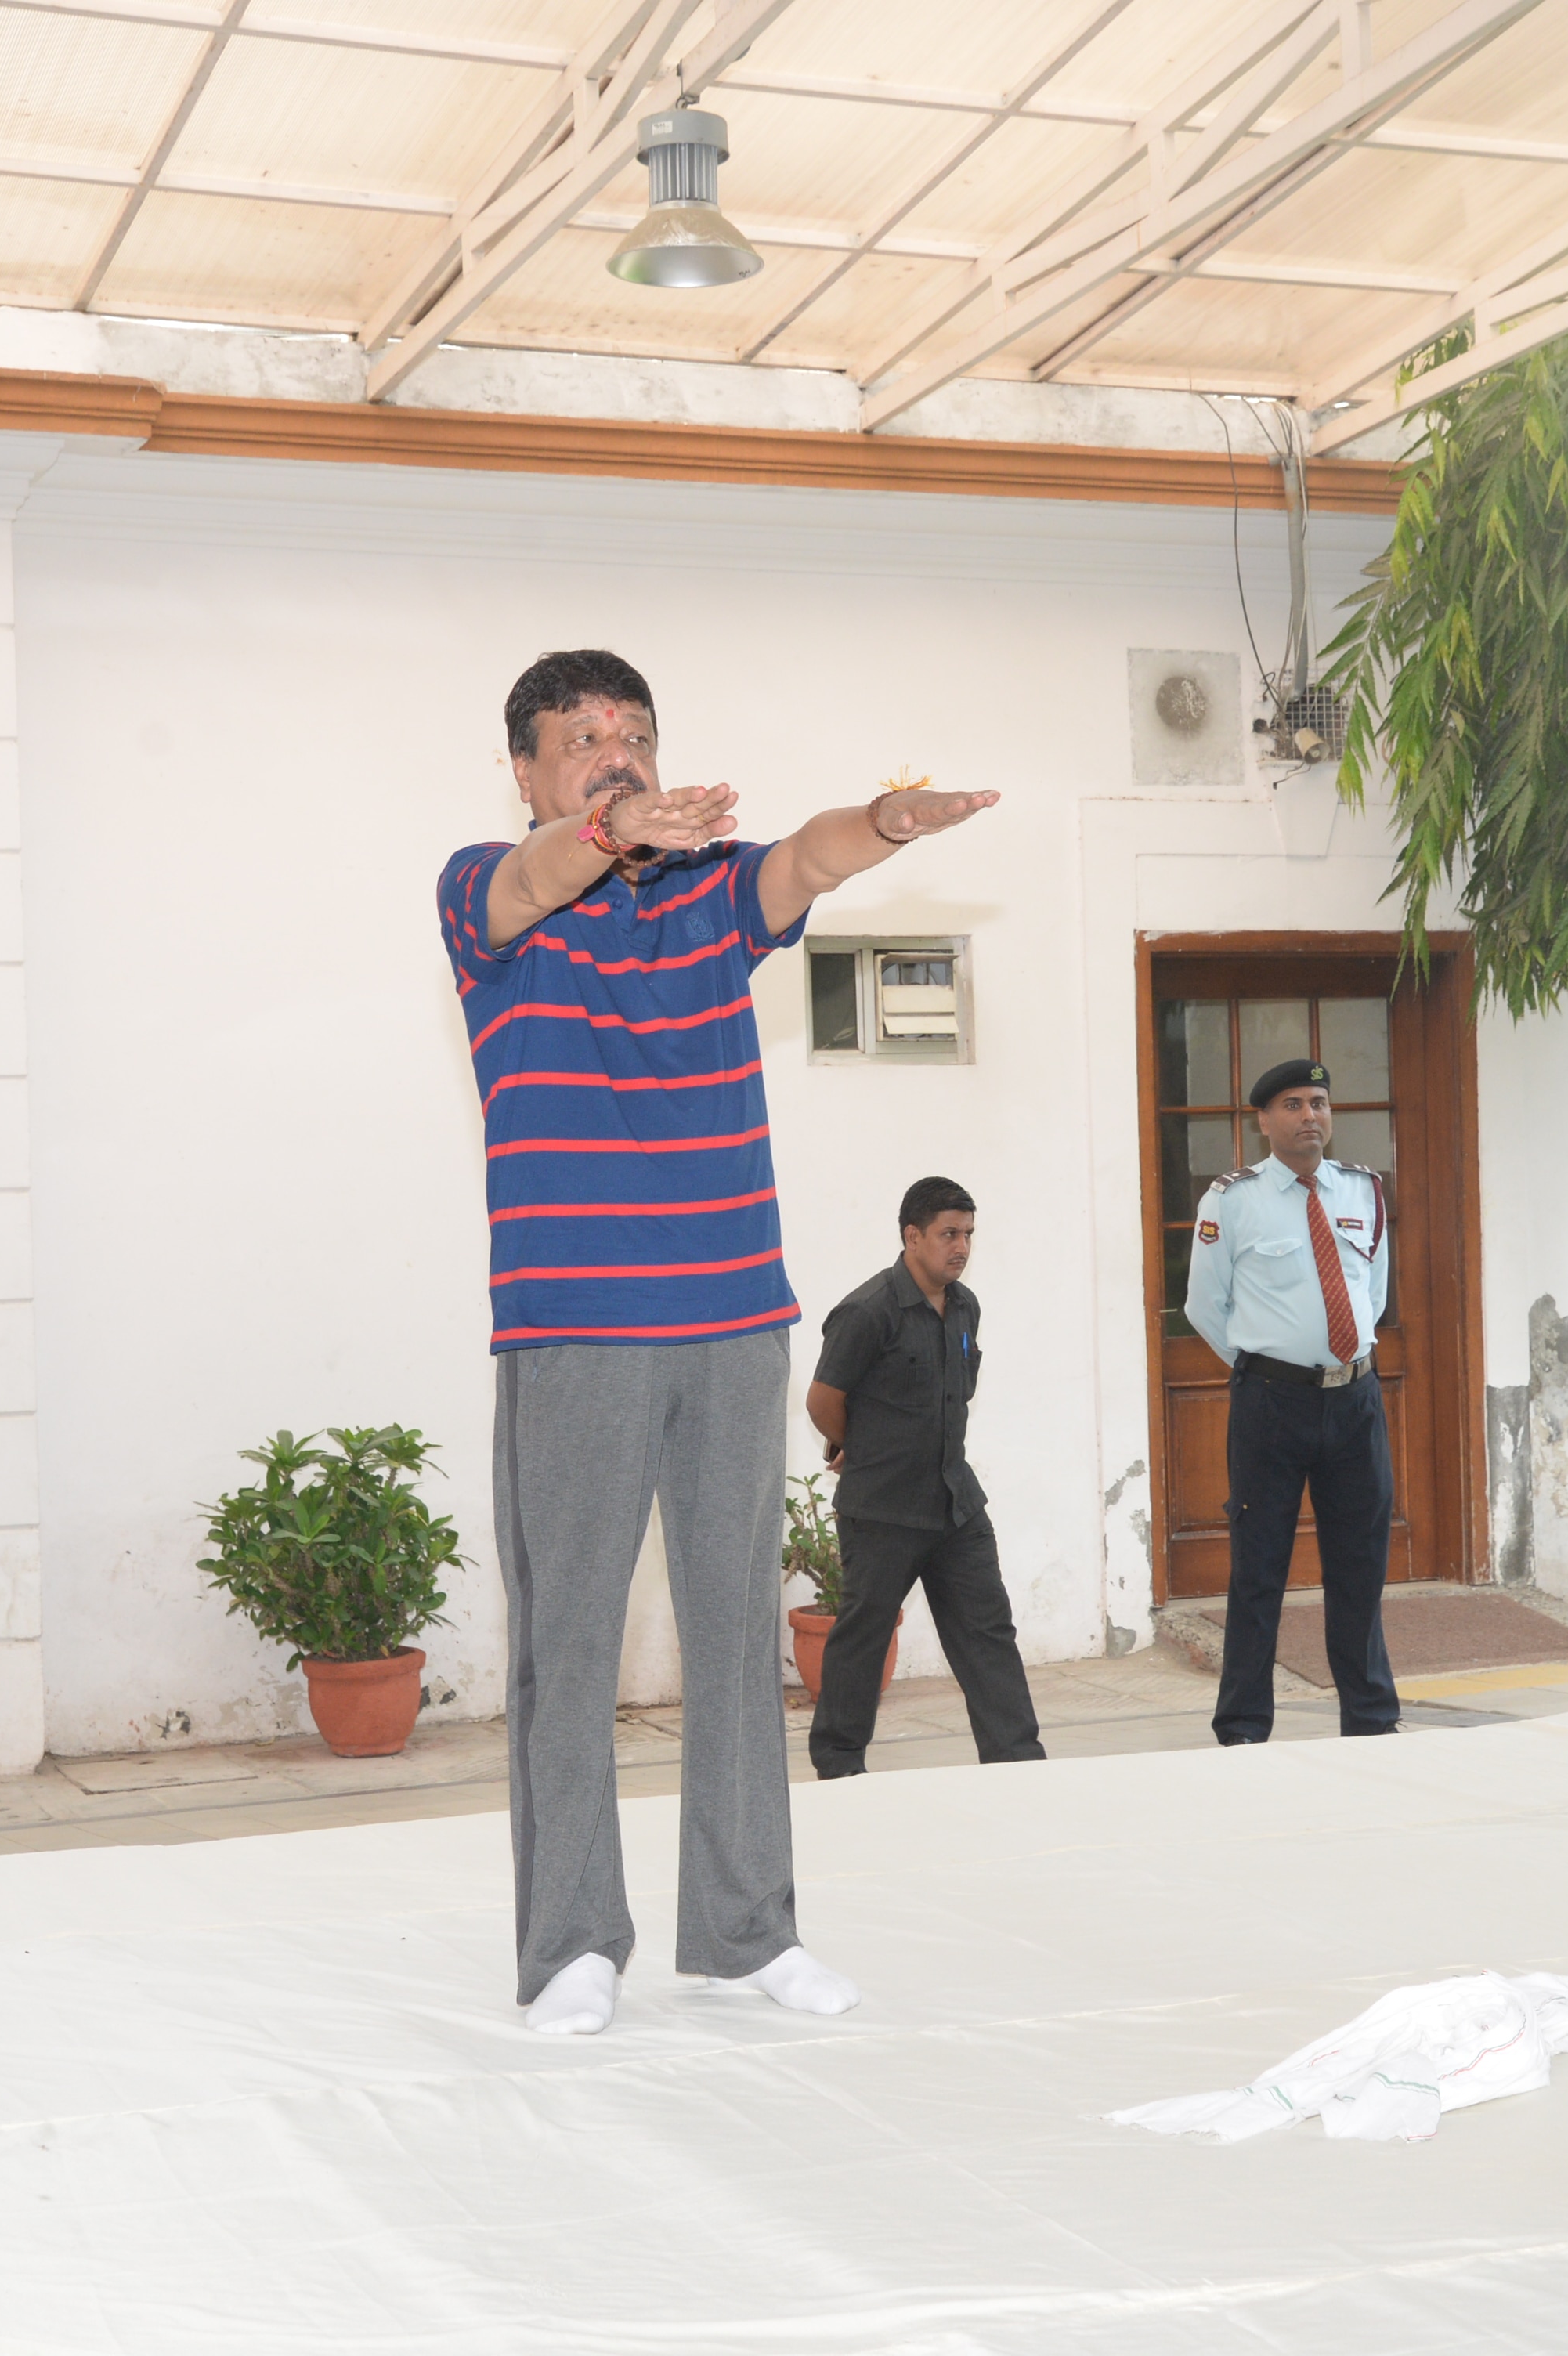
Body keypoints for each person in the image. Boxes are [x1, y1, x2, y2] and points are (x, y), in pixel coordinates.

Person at [435, 649, 999, 2037]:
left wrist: (881, 829)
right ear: (527, 771)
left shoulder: (702, 892)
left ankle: (747, 1931)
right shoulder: (481, 895)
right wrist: (609, 832)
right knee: (565, 1642)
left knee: (739, 1633)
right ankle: (571, 1942)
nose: (614, 754)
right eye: (582, 739)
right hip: (574, 1324)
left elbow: (799, 858)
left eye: (633, 733)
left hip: (735, 1313)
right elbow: (531, 882)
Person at [800, 1176, 1046, 1778]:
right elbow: (821, 1401)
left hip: (955, 1504)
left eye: (967, 1234)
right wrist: (854, 1445)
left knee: (988, 1631)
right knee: (864, 1637)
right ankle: (837, 1765)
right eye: (947, 1234)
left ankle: (1019, 1761)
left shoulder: (965, 1306)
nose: (960, 1247)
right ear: (912, 1236)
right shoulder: (866, 1311)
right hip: (884, 1509)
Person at [1183, 1057, 1399, 1744]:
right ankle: (1244, 1726)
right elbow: (1204, 1305)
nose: (1311, 1116)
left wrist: (1343, 1360)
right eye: (1295, 1105)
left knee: (1360, 1565)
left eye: (1320, 1102)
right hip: (1272, 1406)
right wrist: (1264, 1365)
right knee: (1259, 1569)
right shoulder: (1231, 1200)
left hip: (1356, 1401)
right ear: (1264, 1120)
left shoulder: (1363, 1190)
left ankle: (1369, 1718)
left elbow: (1373, 1292)